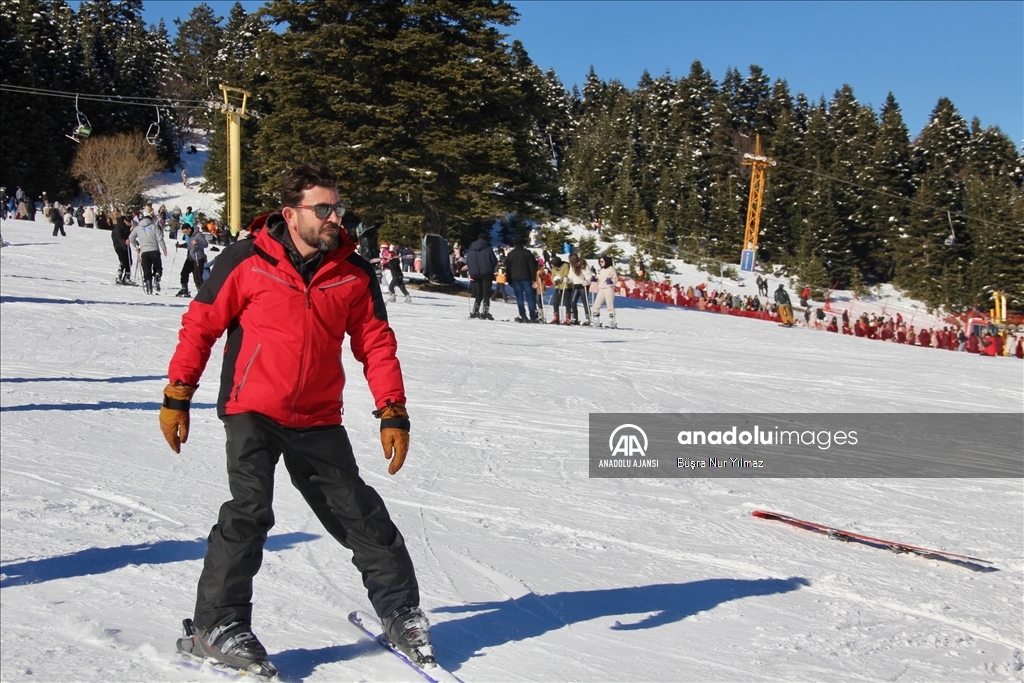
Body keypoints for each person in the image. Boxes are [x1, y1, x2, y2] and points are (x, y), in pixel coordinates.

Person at [162, 162, 431, 674]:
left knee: (358, 511)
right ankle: (217, 624)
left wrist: (391, 408)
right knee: (249, 511)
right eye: (323, 209)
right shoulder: (246, 260)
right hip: (252, 409)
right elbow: (200, 325)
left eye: (338, 208)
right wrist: (179, 393)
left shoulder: (353, 272)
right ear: (291, 214)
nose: (335, 218)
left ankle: (401, 610)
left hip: (316, 416)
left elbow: (375, 342)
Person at [129, 214, 167, 294]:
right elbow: (160, 238)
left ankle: (149, 288)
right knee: (158, 267)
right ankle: (157, 277)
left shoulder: (138, 228)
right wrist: (164, 248)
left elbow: (131, 238)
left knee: (147, 269)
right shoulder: (154, 227)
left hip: (144, 251)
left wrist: (136, 245)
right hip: (154, 250)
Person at [504, 236, 538, 323]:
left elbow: (508, 269)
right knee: (530, 297)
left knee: (519, 298)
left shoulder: (510, 254)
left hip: (515, 278)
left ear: (514, 244)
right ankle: (533, 316)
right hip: (526, 277)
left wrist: (509, 280)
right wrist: (534, 279)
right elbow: (532, 267)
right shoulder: (527, 253)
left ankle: (523, 316)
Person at [465, 231, 496, 319]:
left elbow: (468, 261)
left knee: (479, 293)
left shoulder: (471, 249)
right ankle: (485, 312)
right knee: (486, 293)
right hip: (486, 273)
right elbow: (493, 261)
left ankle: (475, 310)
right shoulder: (488, 249)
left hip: (475, 273)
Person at [175, 223, 208, 297]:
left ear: (189, 229)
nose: (185, 234)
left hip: (198, 258)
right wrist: (180, 246)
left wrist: (198, 243)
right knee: (184, 272)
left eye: (186, 232)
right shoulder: (189, 236)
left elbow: (206, 244)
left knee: (197, 275)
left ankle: (201, 291)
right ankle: (184, 289)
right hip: (190, 258)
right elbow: (189, 245)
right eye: (184, 232)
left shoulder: (198, 235)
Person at [592, 254, 617, 329]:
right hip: (601, 289)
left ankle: (612, 322)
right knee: (596, 305)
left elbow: (615, 279)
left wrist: (611, 281)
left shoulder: (611, 269)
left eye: (602, 261)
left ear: (606, 261)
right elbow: (600, 279)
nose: (601, 263)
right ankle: (596, 321)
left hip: (608, 289)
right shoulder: (602, 269)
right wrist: (595, 279)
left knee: (610, 306)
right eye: (600, 261)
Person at [567, 253, 591, 325]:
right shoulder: (572, 266)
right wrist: (567, 280)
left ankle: (588, 318)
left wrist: (587, 280)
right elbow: (571, 277)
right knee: (573, 301)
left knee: (585, 302)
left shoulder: (583, 264)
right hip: (576, 286)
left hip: (583, 285)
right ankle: (575, 318)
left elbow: (588, 274)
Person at [548, 255, 571, 324]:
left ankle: (568, 317)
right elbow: (552, 276)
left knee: (567, 302)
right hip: (558, 286)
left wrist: (562, 278)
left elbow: (566, 274)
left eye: (554, 265)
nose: (553, 267)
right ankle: (556, 317)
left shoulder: (565, 266)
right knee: (555, 301)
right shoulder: (553, 269)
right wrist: (554, 281)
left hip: (566, 286)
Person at [111, 211, 133, 284]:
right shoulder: (119, 227)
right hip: (119, 245)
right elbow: (118, 237)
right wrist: (124, 242)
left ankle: (126, 277)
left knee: (129, 261)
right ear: (125, 221)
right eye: (128, 222)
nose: (130, 224)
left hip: (126, 245)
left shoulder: (128, 226)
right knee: (124, 261)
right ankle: (119, 276)